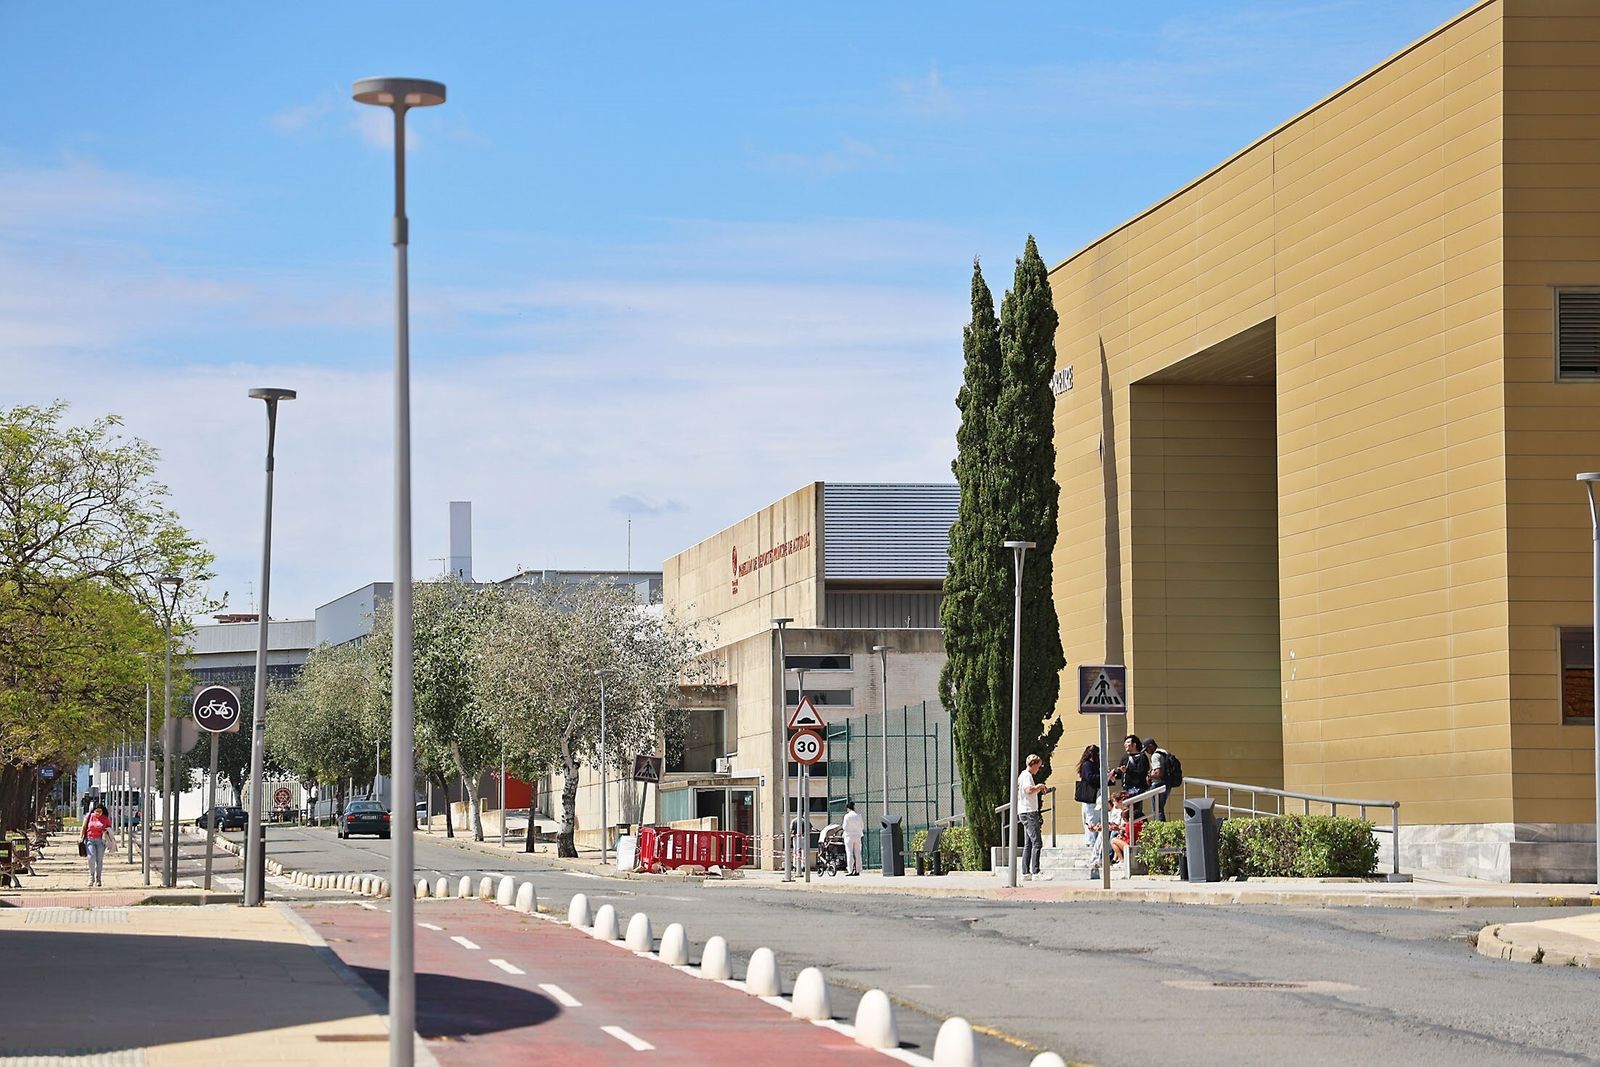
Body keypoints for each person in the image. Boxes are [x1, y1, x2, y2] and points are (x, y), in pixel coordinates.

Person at [1016, 754, 1053, 882]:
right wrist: (1039, 786)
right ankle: (1035, 871)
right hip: (1029, 812)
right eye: (1038, 766)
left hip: (1025, 811)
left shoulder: (1023, 775)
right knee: (1037, 842)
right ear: (1033, 764)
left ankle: (1026, 872)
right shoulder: (1027, 776)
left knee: (1028, 843)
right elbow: (1028, 790)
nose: (1039, 769)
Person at [1110, 734, 1149, 817]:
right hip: (1126, 788)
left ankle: (1136, 827)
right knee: (1126, 811)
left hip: (1136, 788)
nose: (1125, 745)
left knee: (1135, 811)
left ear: (1134, 744)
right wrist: (1113, 774)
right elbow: (1121, 773)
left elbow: (1142, 773)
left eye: (1128, 742)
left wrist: (1128, 771)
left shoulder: (1142, 757)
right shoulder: (1125, 757)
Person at [81, 802, 114, 887]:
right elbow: (84, 827)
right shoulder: (89, 816)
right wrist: (81, 837)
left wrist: (106, 830)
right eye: (97, 811)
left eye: (100, 811)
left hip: (100, 841)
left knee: (99, 860)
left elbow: (110, 828)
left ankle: (98, 878)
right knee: (91, 858)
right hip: (90, 840)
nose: (98, 813)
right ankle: (91, 877)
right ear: (94, 810)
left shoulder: (105, 819)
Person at [1075, 745, 1101, 847]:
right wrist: (1102, 775)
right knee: (1091, 818)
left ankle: (1092, 841)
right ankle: (1091, 842)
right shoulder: (1087, 765)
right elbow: (1090, 778)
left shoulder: (1090, 765)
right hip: (1090, 797)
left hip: (1093, 796)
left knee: (1094, 818)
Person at [1144, 738, 1171, 820]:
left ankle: (1160, 829)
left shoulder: (1155, 755)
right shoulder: (1164, 752)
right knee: (1160, 808)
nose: (1147, 752)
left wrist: (1150, 776)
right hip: (1167, 783)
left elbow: (1158, 772)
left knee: (1157, 810)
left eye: (1147, 749)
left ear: (1151, 746)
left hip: (1158, 784)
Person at [841, 801, 864, 876]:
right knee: (858, 853)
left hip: (849, 836)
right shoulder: (859, 815)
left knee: (849, 853)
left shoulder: (847, 816)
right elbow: (862, 826)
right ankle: (858, 870)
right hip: (857, 835)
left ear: (848, 808)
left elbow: (844, 827)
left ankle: (850, 870)